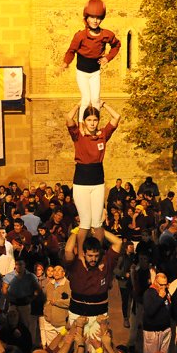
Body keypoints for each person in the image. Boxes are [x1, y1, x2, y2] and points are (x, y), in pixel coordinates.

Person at [65, 102, 121, 250]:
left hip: (98, 181)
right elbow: (69, 118)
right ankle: (82, 254)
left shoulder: (103, 134)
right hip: (81, 181)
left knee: (97, 223)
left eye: (95, 120)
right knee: (85, 222)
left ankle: (97, 251)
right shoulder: (78, 135)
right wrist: (79, 104)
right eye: (89, 120)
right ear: (84, 121)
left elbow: (117, 117)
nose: (92, 123)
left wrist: (103, 104)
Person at [61, 0, 121, 122]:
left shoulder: (107, 35)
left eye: (98, 18)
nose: (95, 20)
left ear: (102, 19)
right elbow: (71, 51)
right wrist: (66, 62)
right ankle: (81, 126)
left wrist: (107, 58)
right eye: (92, 17)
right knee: (86, 99)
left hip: (95, 73)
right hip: (82, 73)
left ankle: (94, 123)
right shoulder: (80, 36)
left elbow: (116, 45)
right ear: (86, 18)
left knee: (95, 99)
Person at [63, 229, 122, 339]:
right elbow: (67, 250)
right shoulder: (77, 263)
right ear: (84, 253)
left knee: (97, 349)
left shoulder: (106, 261)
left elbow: (118, 242)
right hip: (76, 314)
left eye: (96, 255)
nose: (93, 259)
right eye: (90, 255)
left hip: (99, 316)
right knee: (76, 348)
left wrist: (98, 228)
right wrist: (78, 231)